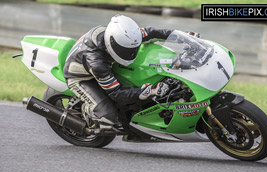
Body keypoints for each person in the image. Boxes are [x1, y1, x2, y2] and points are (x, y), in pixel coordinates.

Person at [64, 14, 199, 130]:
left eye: (133, 49)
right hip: (81, 78)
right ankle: (88, 110)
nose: (131, 53)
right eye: (126, 51)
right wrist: (149, 91)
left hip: (102, 65)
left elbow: (152, 32)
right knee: (109, 118)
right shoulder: (96, 62)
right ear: (113, 44)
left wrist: (182, 36)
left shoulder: (123, 36)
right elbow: (117, 93)